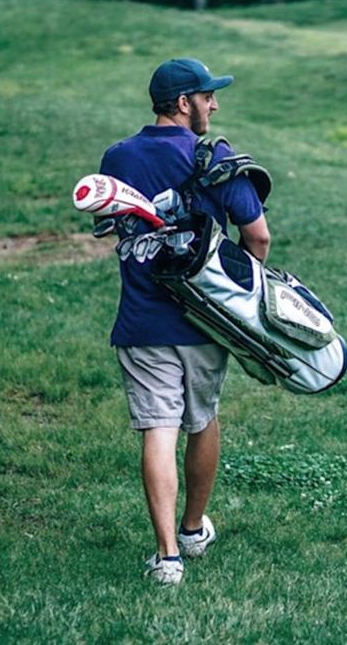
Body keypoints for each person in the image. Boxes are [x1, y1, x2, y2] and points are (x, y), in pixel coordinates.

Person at [101, 58, 271, 585]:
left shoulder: (118, 157)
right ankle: (193, 529)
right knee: (202, 420)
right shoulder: (212, 157)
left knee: (159, 429)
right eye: (207, 96)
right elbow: (258, 235)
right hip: (204, 322)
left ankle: (168, 556)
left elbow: (109, 221)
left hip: (141, 322)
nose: (213, 105)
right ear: (183, 103)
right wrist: (240, 296)